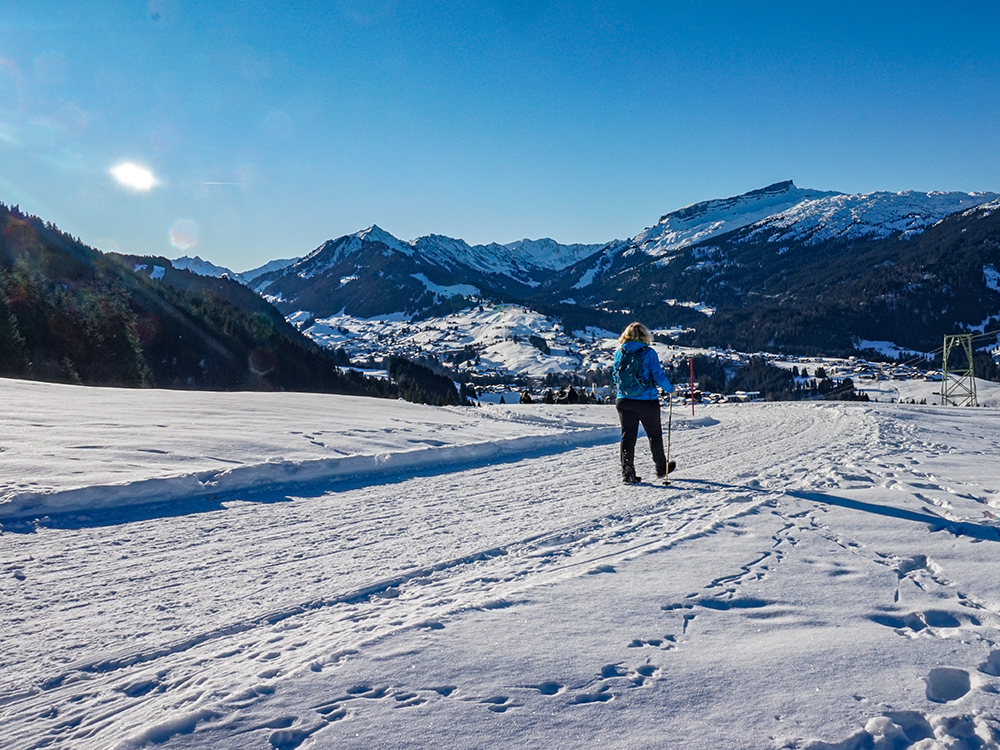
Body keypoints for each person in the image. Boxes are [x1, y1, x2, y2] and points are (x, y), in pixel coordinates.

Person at [612, 322, 675, 484]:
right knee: (654, 435)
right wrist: (670, 389)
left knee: (628, 437)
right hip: (646, 401)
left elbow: (615, 377)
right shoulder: (648, 353)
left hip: (623, 400)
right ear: (644, 335)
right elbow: (658, 375)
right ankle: (661, 467)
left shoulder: (620, 352)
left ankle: (628, 473)